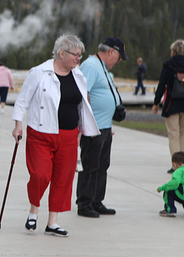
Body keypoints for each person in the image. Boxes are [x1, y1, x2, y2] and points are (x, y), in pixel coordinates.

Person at [11, 35, 99, 237]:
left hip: (69, 135)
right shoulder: (39, 72)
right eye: (75, 55)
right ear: (62, 53)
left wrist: (84, 129)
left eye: (80, 55)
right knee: (40, 174)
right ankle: (34, 210)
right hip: (41, 132)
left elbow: (82, 104)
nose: (78, 59)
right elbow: (22, 100)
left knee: (63, 178)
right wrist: (18, 126)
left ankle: (53, 222)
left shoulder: (78, 75)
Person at [76, 36, 127, 218]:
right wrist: (88, 123)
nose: (118, 62)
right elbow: (84, 93)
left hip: (104, 126)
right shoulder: (91, 65)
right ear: (111, 52)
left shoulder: (102, 67)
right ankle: (85, 203)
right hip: (94, 127)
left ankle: (96, 201)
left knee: (102, 165)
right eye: (119, 58)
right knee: (90, 165)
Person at [152, 39, 184, 172]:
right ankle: (183, 165)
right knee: (181, 133)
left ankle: (176, 166)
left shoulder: (168, 65)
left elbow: (161, 86)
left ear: (173, 51)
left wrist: (156, 103)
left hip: (171, 104)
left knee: (173, 135)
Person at [157, 151, 184, 217]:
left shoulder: (178, 171)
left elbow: (174, 183)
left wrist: (162, 188)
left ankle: (170, 210)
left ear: (174, 164)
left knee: (168, 190)